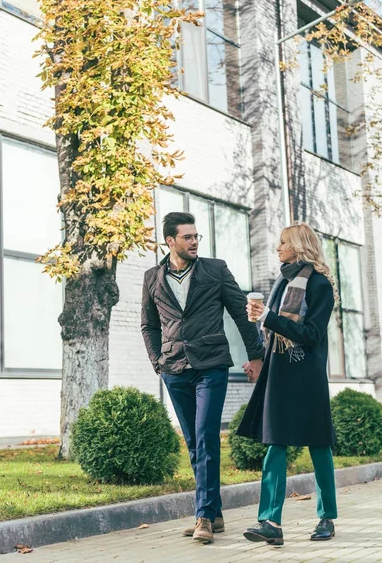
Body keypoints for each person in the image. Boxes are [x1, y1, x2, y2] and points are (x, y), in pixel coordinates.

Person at [141, 211, 264, 544]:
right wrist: (158, 361)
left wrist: (256, 355)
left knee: (207, 436)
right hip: (174, 369)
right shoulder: (153, 277)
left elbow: (240, 311)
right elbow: (149, 325)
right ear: (170, 241)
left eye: (197, 237)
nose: (195, 242)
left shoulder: (216, 269)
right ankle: (215, 511)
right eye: (188, 237)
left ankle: (204, 517)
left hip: (211, 366)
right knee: (194, 443)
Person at [237, 222, 338, 547]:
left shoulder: (320, 285)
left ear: (298, 245)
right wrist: (261, 325)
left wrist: (268, 317)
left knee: (319, 445)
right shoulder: (283, 281)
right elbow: (275, 328)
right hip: (280, 373)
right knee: (275, 444)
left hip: (306, 376)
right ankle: (270, 521)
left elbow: (311, 334)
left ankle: (326, 517)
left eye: (282, 242)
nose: (277, 248)